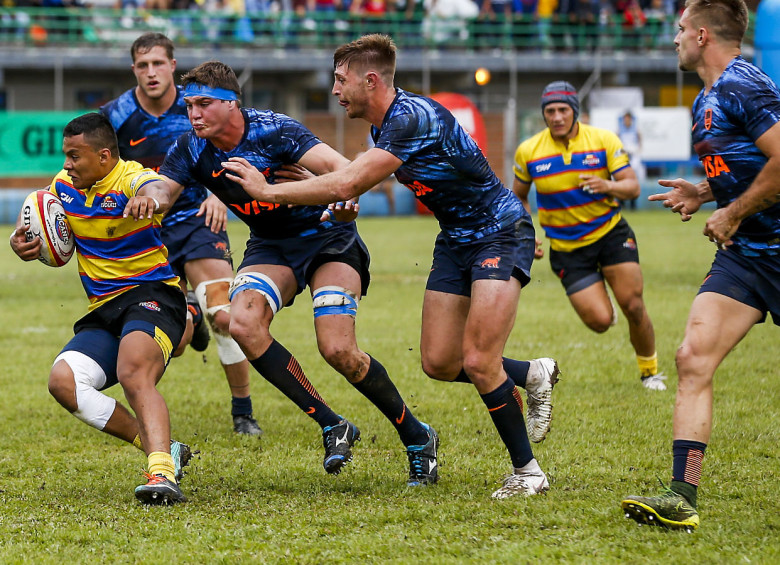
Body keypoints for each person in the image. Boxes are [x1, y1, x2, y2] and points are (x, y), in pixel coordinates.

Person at [221, 34, 561, 499]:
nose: (335, 90)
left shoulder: (412, 117)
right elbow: (350, 182)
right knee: (439, 362)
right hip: (455, 242)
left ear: (371, 80)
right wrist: (321, 181)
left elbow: (350, 183)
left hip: (499, 232)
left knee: (479, 360)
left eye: (341, 80)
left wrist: (267, 191)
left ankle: (529, 473)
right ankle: (530, 373)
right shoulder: (382, 130)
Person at [131, 60, 440, 485]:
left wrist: (343, 200)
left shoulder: (274, 130)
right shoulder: (192, 148)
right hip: (271, 245)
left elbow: (339, 167)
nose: (194, 114)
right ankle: (333, 424)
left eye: (204, 104)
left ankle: (416, 435)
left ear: (231, 103)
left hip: (327, 238)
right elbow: (164, 187)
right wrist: (148, 196)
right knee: (242, 323)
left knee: (338, 351)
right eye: (189, 106)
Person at [621, 0, 780, 531]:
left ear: (705, 36)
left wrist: (732, 211)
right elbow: (752, 166)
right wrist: (707, 191)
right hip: (748, 258)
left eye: (681, 29)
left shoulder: (742, 85)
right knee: (692, 358)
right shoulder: (707, 97)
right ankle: (681, 496)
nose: (675, 38)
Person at [9, 113, 190, 505]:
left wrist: (150, 199)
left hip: (154, 295)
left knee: (131, 369)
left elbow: (158, 188)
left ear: (105, 156)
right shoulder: (63, 186)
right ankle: (163, 448)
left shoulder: (129, 178)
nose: (67, 165)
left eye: (75, 156)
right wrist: (19, 241)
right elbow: (39, 219)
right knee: (63, 381)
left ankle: (162, 474)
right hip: (105, 308)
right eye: (66, 156)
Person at [99, 32, 261, 437]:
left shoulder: (200, 104)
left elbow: (233, 146)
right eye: (142, 65)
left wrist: (220, 195)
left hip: (195, 217)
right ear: (133, 69)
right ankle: (188, 314)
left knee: (223, 312)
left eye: (158, 63)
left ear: (173, 65)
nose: (151, 72)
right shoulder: (115, 116)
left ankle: (243, 412)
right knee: (179, 338)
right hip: (145, 229)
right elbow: (93, 173)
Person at [513, 81, 666, 391]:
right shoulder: (529, 151)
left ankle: (650, 372)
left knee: (633, 306)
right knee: (599, 322)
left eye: (562, 110)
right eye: (550, 111)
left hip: (611, 235)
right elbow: (517, 198)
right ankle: (601, 299)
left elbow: (633, 186)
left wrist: (607, 185)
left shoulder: (602, 140)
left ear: (575, 111)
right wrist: (526, 235)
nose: (556, 117)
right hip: (568, 249)